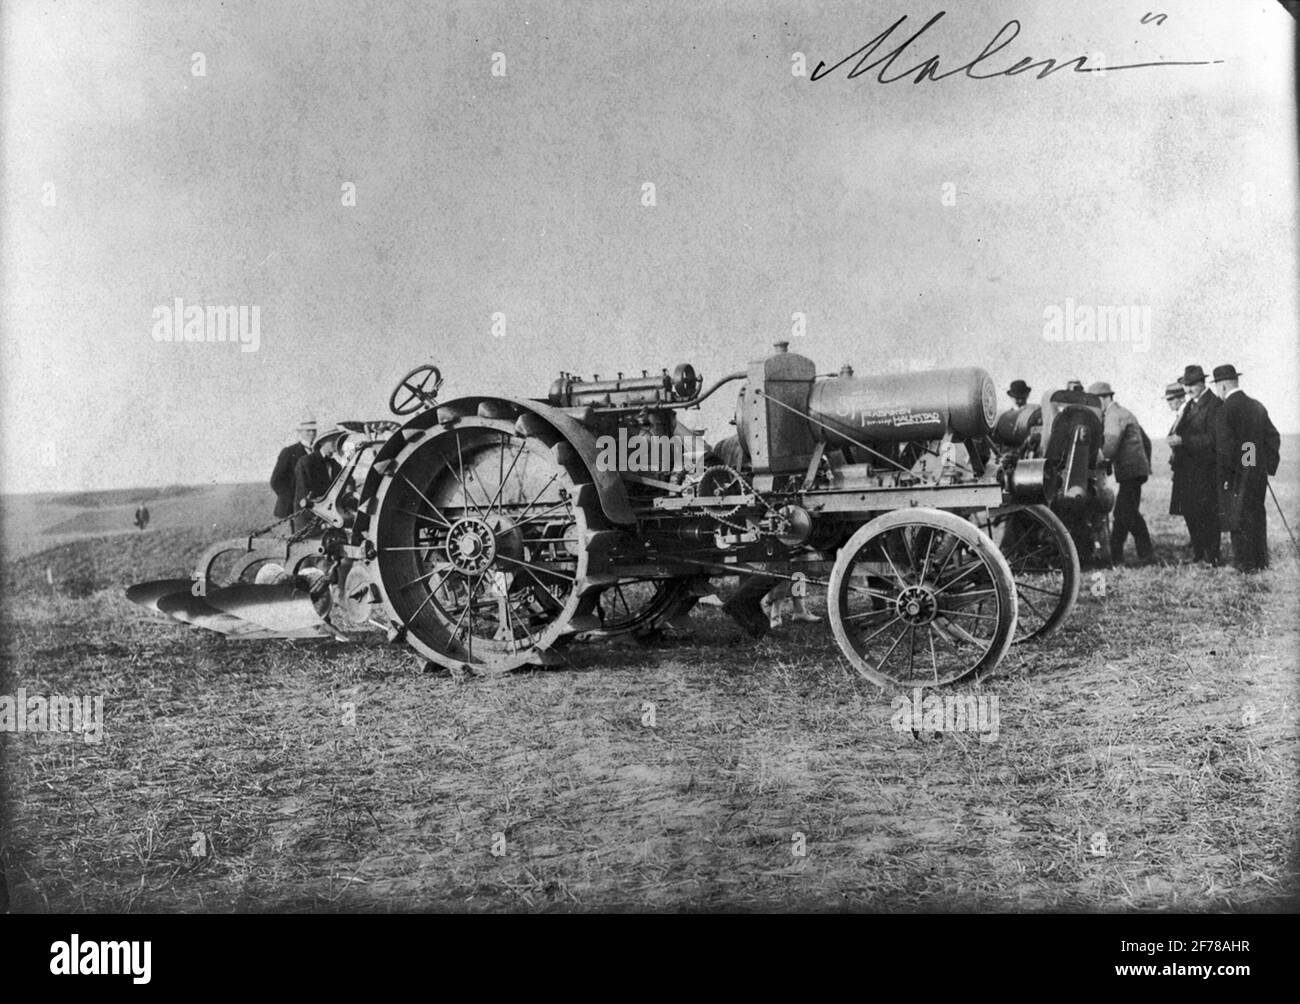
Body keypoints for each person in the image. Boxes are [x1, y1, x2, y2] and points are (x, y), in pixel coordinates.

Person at [702, 432, 818, 636]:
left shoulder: (723, 445)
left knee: (750, 568)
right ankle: (744, 608)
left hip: (736, 517)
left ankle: (756, 624)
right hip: (760, 515)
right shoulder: (762, 441)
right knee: (780, 567)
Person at [1212, 364, 1280, 572]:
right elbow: (1273, 437)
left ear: (1222, 386)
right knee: (1256, 513)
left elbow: (1226, 448)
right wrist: (1264, 465)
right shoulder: (1257, 406)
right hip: (1256, 473)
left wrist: (1226, 475)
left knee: (1238, 516)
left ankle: (1244, 563)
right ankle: (1260, 560)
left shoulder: (1225, 410)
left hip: (1237, 475)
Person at [1089, 381, 1153, 565]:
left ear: (1105, 398)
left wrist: (1097, 461)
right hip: (1134, 471)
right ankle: (1117, 554)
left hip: (1131, 472)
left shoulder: (1113, 415)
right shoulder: (1120, 412)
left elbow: (1110, 445)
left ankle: (1145, 553)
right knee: (1124, 513)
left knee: (1127, 513)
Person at [1168, 365, 1221, 565]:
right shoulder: (1189, 406)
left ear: (1202, 383)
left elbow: (1213, 438)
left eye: (1191, 385)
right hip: (1186, 470)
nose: (1188, 390)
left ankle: (1212, 556)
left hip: (1205, 470)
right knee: (1191, 512)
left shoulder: (1215, 405)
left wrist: (1183, 441)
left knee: (1208, 513)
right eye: (1186, 385)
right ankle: (1199, 554)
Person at [292, 435, 342, 532]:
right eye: (333, 441)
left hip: (329, 521)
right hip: (309, 524)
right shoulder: (306, 462)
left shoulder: (336, 465)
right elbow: (303, 497)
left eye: (338, 441)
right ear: (322, 442)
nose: (337, 444)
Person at [271, 413, 317, 519]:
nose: (311, 433)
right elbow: (276, 481)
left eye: (314, 430)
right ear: (300, 432)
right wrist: (292, 498)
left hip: (311, 507)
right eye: (308, 431)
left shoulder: (317, 452)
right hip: (291, 509)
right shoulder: (289, 452)